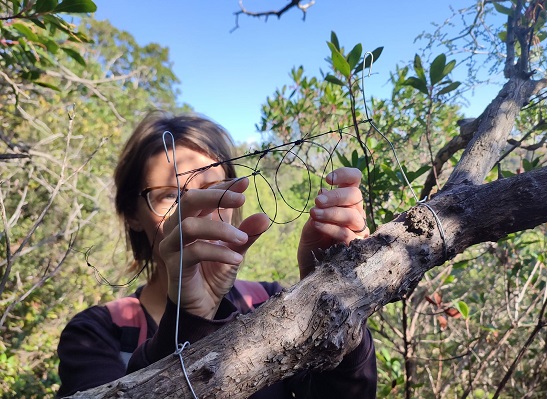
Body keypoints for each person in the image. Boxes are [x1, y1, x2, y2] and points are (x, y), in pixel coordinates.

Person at [56, 110, 376, 398]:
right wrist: (189, 321)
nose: (199, 210)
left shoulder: (268, 303)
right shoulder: (96, 334)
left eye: (215, 190)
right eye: (170, 195)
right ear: (132, 215)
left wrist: (329, 291)